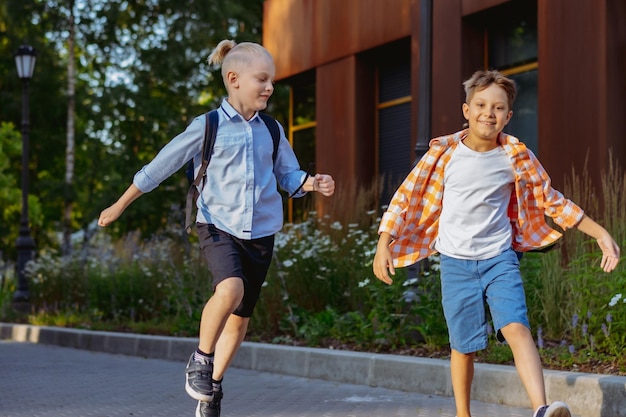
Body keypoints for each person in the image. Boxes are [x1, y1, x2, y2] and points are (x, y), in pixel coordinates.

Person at [98, 39, 335, 417]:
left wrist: (310, 183)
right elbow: (162, 165)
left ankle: (211, 391)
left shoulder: (271, 130)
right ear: (234, 78)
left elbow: (287, 174)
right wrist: (120, 203)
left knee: (240, 322)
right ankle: (200, 360)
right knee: (229, 289)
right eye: (263, 79)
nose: (270, 87)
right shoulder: (207, 125)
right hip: (216, 226)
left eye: (272, 80)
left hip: (260, 233)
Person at [372, 69, 620, 417]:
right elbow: (406, 198)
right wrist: (385, 242)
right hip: (456, 263)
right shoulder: (443, 156)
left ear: (509, 115)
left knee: (516, 327)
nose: (489, 113)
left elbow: (552, 201)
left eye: (498, 108)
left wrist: (600, 234)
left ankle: (541, 409)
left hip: (499, 258)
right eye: (481, 105)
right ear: (466, 110)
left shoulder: (515, 156)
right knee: (464, 346)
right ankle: (463, 414)